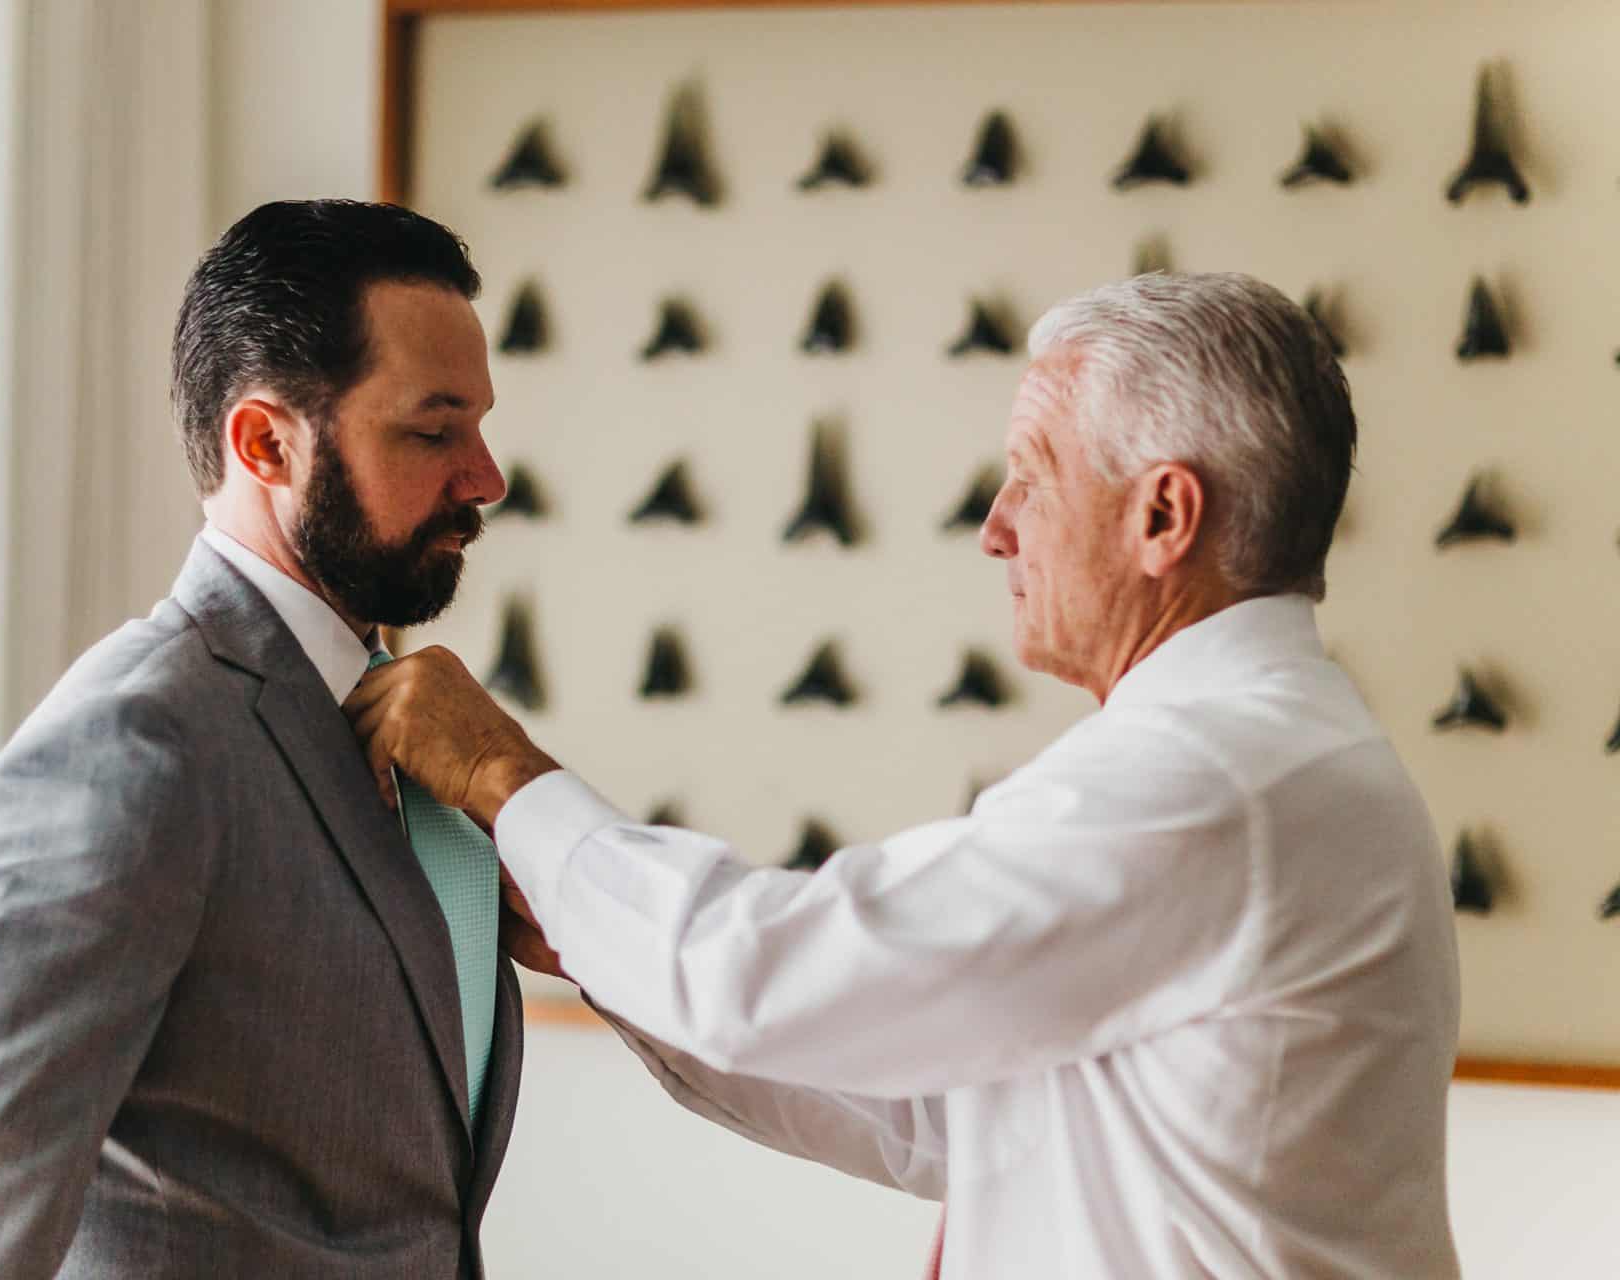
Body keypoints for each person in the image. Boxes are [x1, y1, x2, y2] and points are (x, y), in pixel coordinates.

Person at [346, 272, 1463, 1278]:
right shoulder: (1274, 761)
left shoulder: (1214, 778)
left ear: (1164, 515)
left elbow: (755, 973)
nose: (995, 529)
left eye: (1032, 478)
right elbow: (950, 1118)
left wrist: (501, 771)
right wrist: (595, 939)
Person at [0, 200, 521, 1278]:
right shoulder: (138, 738)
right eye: (434, 431)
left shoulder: (428, 737)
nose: (486, 477)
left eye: (479, 424)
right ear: (266, 441)